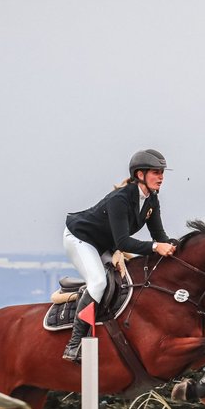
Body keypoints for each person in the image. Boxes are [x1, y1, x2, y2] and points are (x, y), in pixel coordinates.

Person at [60, 148, 178, 361]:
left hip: (105, 243)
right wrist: (155, 247)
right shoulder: (120, 199)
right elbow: (124, 242)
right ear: (139, 175)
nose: (161, 177)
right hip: (80, 238)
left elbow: (159, 235)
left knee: (126, 281)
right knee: (98, 283)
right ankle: (74, 344)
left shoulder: (151, 200)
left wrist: (177, 246)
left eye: (162, 173)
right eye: (155, 172)